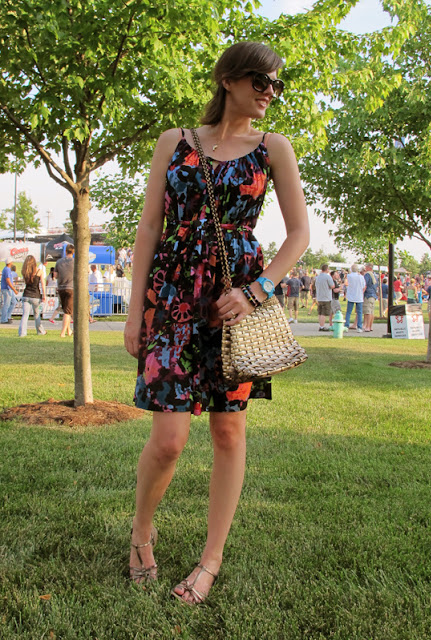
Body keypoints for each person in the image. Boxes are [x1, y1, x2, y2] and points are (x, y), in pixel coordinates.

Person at [123, 41, 309, 605]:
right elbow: (149, 229)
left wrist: (257, 291)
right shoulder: (174, 142)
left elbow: (300, 235)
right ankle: (140, 532)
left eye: (277, 85)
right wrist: (135, 311)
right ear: (229, 79)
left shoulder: (273, 147)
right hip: (172, 296)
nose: (270, 93)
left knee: (229, 431)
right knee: (169, 440)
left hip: (236, 300)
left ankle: (210, 560)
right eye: (261, 81)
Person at [18, 255, 47, 337]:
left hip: (26, 294)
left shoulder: (25, 272)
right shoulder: (39, 271)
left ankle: (22, 333)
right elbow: (43, 284)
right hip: (35, 295)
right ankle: (40, 331)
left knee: (25, 315)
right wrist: (44, 295)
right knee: (37, 315)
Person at [54, 244, 74, 337]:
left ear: (66, 251)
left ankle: (69, 330)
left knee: (66, 309)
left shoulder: (59, 262)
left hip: (61, 287)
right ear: (73, 252)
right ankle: (63, 332)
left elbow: (55, 275)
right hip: (71, 288)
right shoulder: (75, 262)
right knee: (67, 312)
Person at [344, 264, 365, 333]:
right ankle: (359, 327)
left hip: (351, 295)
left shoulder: (349, 276)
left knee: (348, 312)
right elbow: (363, 285)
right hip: (359, 295)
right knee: (359, 312)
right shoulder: (361, 277)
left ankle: (346, 326)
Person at [315, 264, 334, 331]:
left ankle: (321, 325)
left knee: (320, 312)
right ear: (327, 269)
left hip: (319, 296)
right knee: (324, 313)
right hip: (326, 297)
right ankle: (322, 326)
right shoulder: (328, 277)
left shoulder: (317, 277)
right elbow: (332, 286)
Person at [1, 257, 19, 324]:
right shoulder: (7, 270)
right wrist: (14, 289)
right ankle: (4, 319)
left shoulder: (6, 269)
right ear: (10, 263)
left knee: (13, 302)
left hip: (8, 289)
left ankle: (7, 316)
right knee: (7, 304)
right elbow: (8, 280)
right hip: (7, 289)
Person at [362, 263, 378, 332]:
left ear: (369, 267)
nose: (365, 268)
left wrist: (362, 292)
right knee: (371, 311)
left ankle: (367, 326)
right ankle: (370, 326)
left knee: (367, 311)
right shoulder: (374, 275)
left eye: (366, 267)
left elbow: (364, 284)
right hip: (373, 295)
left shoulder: (367, 275)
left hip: (368, 295)